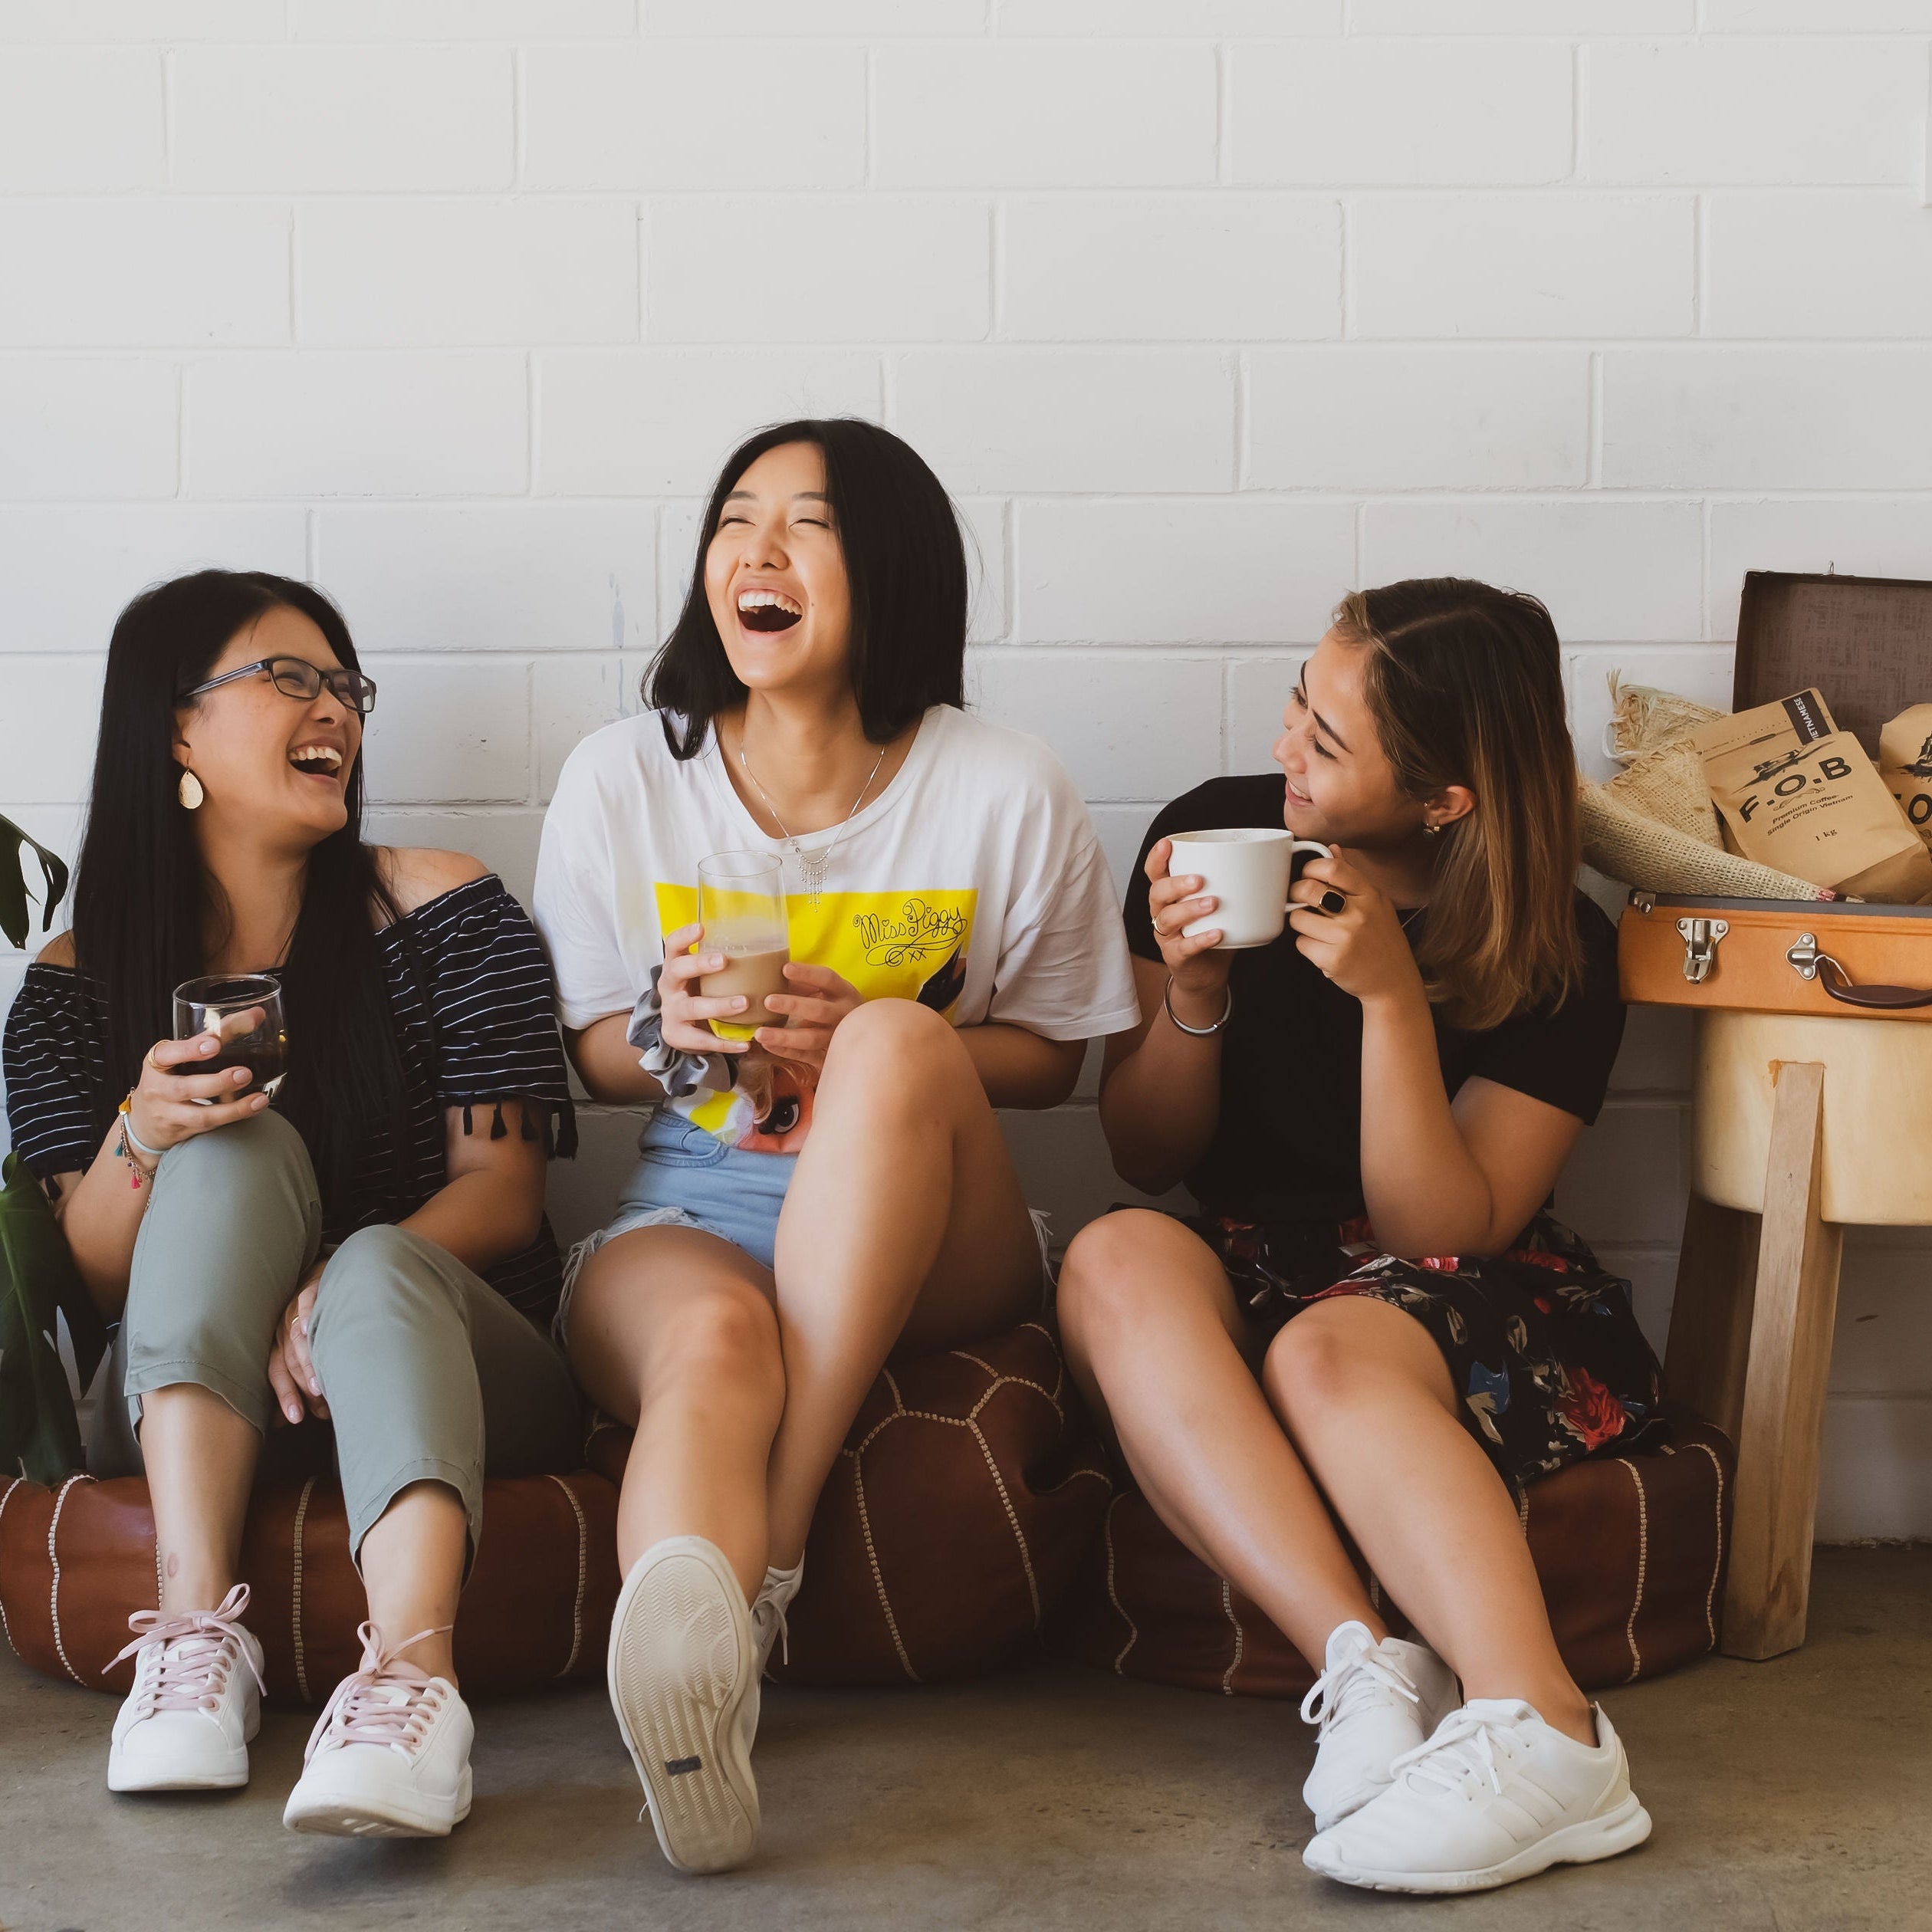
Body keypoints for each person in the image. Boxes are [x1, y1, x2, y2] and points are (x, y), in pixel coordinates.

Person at [533, 418, 1138, 1875]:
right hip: (693, 1202)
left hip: (934, 1228)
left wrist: (872, 1032)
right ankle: (687, 1710)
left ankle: (768, 1561)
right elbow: (587, 1062)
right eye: (737, 519)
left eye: (808, 524)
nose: (756, 550)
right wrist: (673, 1035)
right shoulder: (624, 777)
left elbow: (1055, 1065)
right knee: (712, 1353)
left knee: (892, 1039)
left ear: (897, 572)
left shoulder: (1003, 786)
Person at [1056, 579, 1662, 1897]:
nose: (1285, 749)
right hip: (1252, 1258)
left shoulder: (1557, 942)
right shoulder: (1211, 837)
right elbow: (1146, 1155)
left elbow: (1447, 1230)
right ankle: (1363, 1667)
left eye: (1328, 742)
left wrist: (1391, 1000)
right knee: (1111, 1253)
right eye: (1297, 704)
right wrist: (1198, 997)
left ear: (1445, 798)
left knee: (1330, 1347)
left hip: (1469, 1289)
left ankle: (1550, 1732)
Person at [1, 571, 582, 1838]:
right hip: (187, 1395)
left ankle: (416, 1686)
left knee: (378, 1266)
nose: (336, 711)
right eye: (288, 679)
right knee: (217, 1145)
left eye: (345, 686)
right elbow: (94, 1285)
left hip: (448, 1359)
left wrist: (325, 1295)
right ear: (174, 729)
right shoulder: (70, 984)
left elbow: (506, 1194)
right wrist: (143, 1132)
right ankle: (196, 1645)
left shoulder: (442, 909)